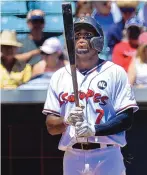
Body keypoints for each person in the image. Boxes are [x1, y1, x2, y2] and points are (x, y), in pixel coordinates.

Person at [42, 16, 138, 175]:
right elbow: (51, 126)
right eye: (77, 35)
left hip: (107, 155)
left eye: (87, 35)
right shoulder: (59, 76)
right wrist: (66, 120)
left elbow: (126, 119)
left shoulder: (115, 72)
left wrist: (94, 129)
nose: (81, 39)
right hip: (73, 156)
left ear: (98, 40)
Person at [16, 9, 48, 77]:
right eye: (35, 21)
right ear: (28, 23)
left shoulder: (49, 42)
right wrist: (34, 52)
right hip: (25, 78)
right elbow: (14, 59)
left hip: (45, 78)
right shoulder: (20, 43)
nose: (38, 24)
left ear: (44, 24)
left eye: (41, 21)